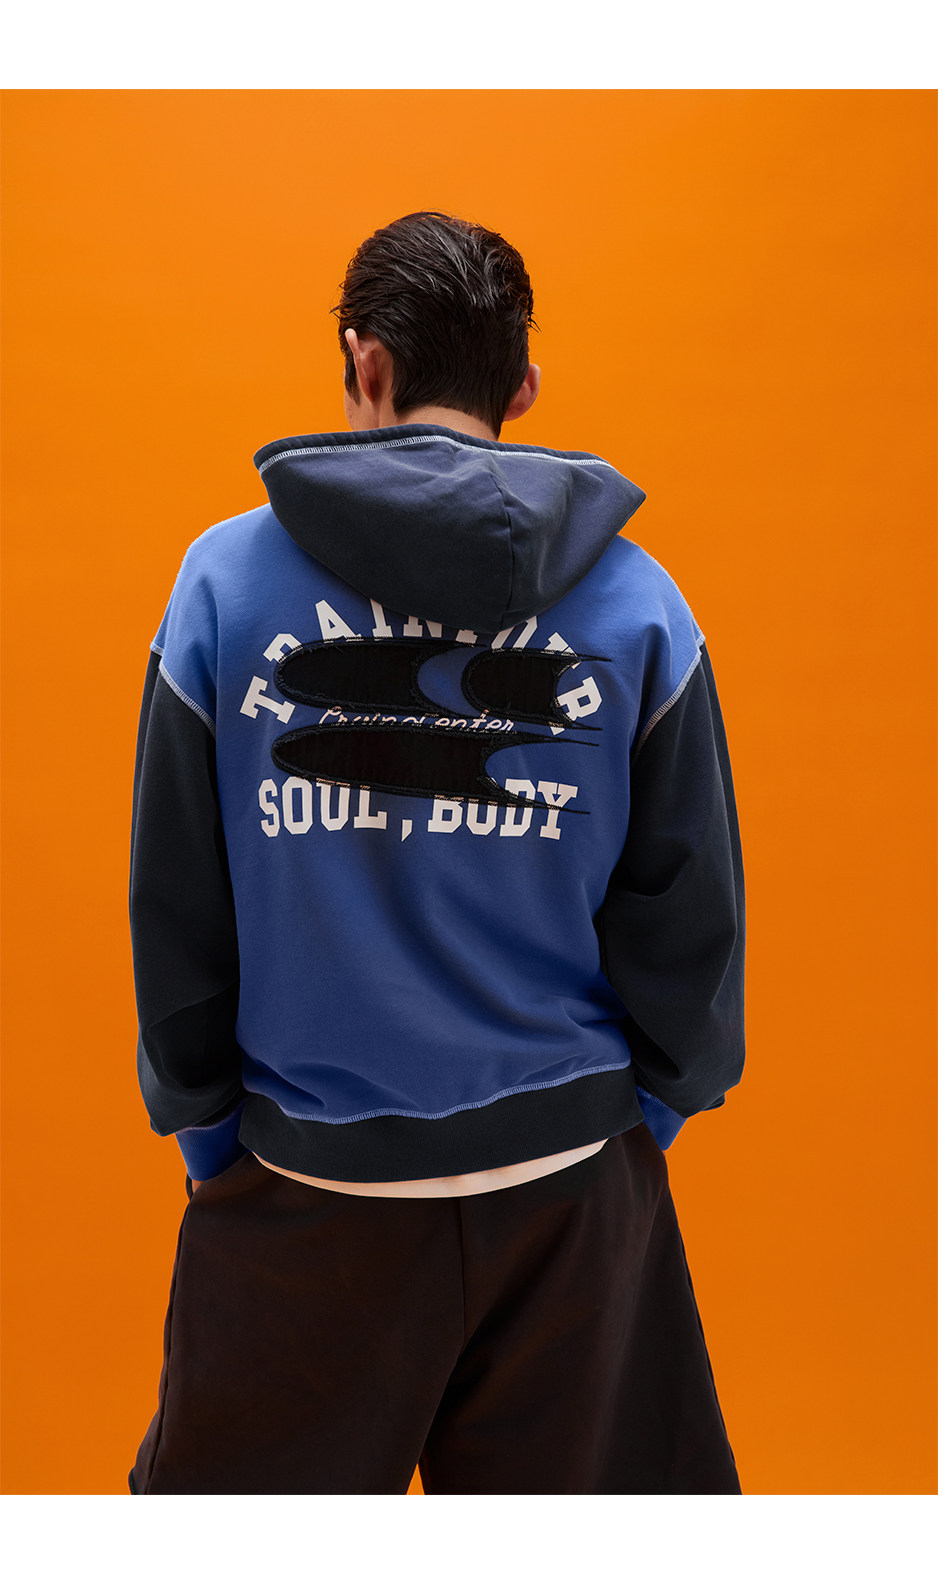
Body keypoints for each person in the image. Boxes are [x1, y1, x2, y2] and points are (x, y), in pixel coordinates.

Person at [127, 211, 746, 1495]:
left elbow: (176, 907)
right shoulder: (641, 605)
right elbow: (689, 914)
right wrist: (626, 1124)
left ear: (365, 363)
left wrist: (214, 1144)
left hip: (302, 1192)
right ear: (522, 386)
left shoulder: (220, 589)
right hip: (573, 1201)